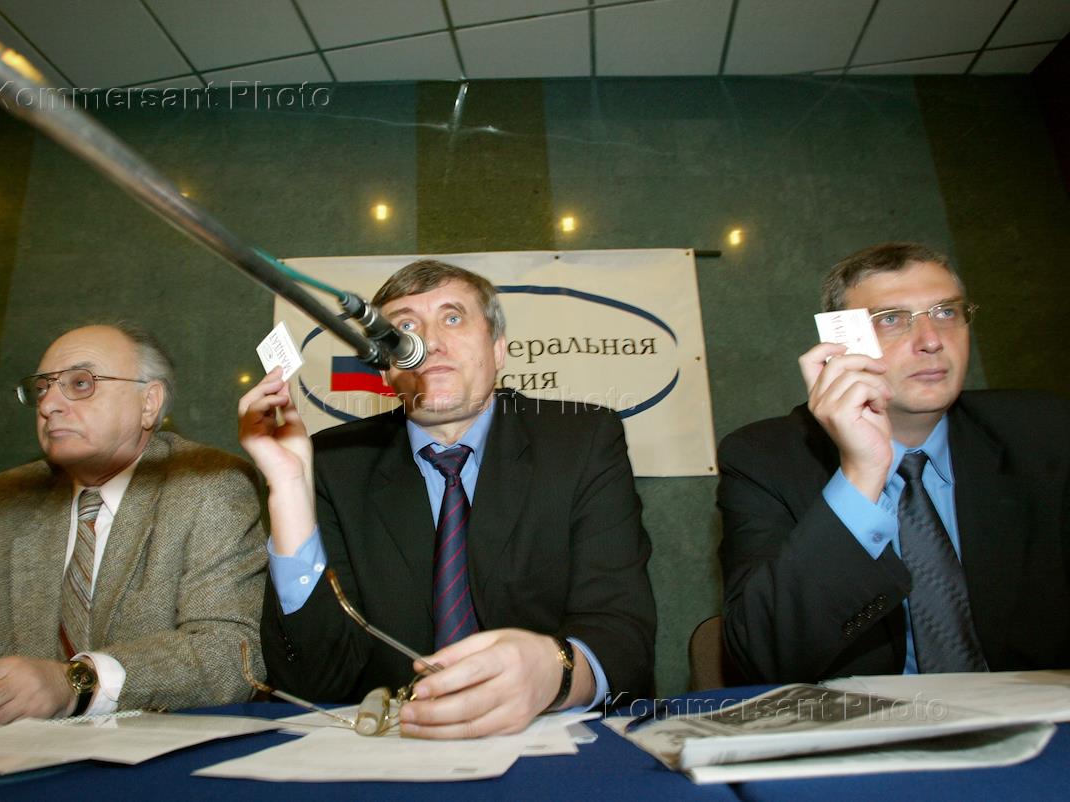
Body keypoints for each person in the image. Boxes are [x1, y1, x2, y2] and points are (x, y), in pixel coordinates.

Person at [239, 259, 656, 738]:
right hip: (392, 746)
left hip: (551, 740)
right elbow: (313, 681)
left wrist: (556, 673)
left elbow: (622, 634)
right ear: (386, 368)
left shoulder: (582, 442)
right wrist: (289, 488)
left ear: (498, 349)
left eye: (453, 318)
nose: (429, 342)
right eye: (404, 328)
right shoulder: (333, 464)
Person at [0, 324, 267, 726]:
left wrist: (76, 683)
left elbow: (230, 655)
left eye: (80, 383)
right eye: (42, 388)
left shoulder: (208, 485)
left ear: (149, 403)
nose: (48, 405)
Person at [718, 242, 1070, 684]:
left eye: (946, 312)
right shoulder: (764, 458)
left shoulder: (1044, 432)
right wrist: (861, 474)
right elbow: (764, 656)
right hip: (866, 722)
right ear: (842, 344)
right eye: (891, 319)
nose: (931, 341)